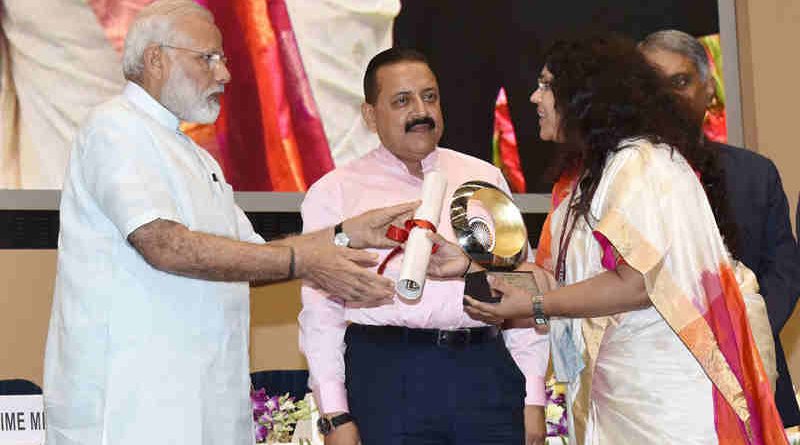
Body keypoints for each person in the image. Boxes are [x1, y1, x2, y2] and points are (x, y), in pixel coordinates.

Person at [42, 2, 418, 444]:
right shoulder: (114, 128)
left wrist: (344, 234)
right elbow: (164, 245)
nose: (224, 75)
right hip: (132, 404)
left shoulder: (195, 157)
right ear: (155, 58)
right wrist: (306, 261)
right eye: (208, 58)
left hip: (206, 402)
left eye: (224, 60)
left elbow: (255, 256)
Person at [429, 35, 788, 443]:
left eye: (546, 85)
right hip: (612, 398)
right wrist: (470, 265)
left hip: (665, 404)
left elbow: (637, 283)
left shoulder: (640, 165)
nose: (533, 97)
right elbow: (557, 286)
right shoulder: (584, 182)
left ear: (585, 95)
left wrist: (536, 304)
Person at [299, 47, 548, 445]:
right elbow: (320, 313)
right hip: (386, 375)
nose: (421, 111)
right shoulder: (335, 193)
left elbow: (520, 284)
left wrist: (533, 396)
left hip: (485, 371)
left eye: (429, 96)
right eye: (402, 101)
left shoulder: (483, 178)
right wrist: (335, 415)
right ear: (369, 115)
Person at [641, 29, 800, 427]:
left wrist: (740, 336)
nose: (669, 96)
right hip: (657, 383)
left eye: (680, 82)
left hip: (755, 370)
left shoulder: (755, 173)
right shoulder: (621, 178)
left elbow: (783, 272)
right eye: (653, 85)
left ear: (708, 90)